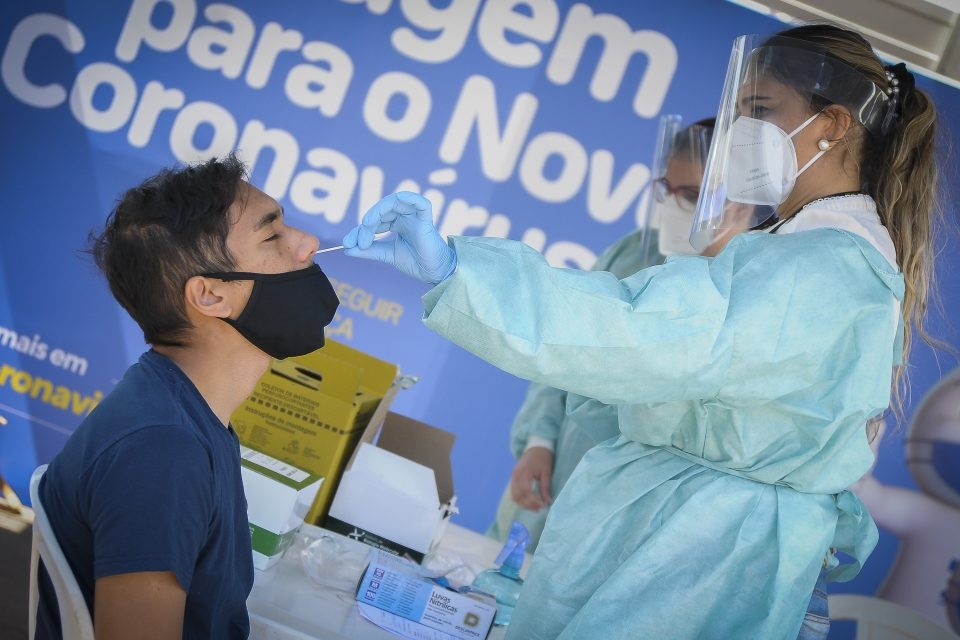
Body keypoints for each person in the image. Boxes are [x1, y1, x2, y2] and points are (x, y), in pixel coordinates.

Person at [343, 23, 942, 640]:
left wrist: (457, 270)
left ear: (833, 124)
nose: (737, 134)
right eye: (736, 113)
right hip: (699, 539)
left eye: (759, 111)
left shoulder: (822, 269)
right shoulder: (808, 254)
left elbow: (631, 331)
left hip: (701, 551)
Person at [35, 154, 338, 639]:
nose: (308, 244)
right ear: (211, 296)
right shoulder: (161, 450)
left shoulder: (184, 412)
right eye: (272, 235)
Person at [489, 116, 714, 549]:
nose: (671, 206)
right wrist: (540, 439)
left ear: (738, 202)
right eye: (666, 189)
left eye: (689, 196)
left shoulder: (739, 291)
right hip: (555, 470)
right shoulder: (634, 251)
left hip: (636, 499)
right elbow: (561, 346)